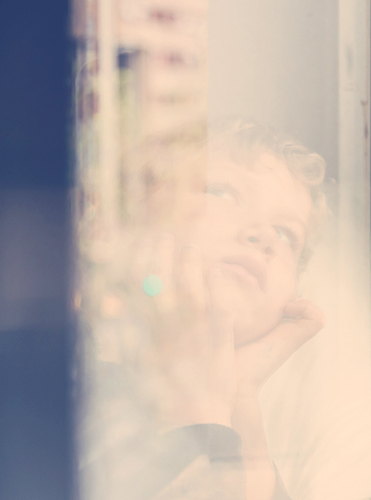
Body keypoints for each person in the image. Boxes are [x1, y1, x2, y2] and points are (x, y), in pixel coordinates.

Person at [78, 119, 328, 500]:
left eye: (285, 233)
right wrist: (197, 406)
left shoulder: (237, 414)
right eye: (222, 193)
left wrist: (239, 401)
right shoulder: (73, 377)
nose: (261, 233)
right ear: (138, 217)